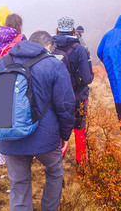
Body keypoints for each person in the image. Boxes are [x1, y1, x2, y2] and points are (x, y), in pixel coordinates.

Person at [0, 31, 75, 211]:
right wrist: (65, 134)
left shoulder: (0, 64)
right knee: (54, 172)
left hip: (9, 136)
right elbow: (65, 104)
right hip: (46, 137)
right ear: (48, 46)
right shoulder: (54, 65)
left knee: (19, 183)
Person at [53, 17, 94, 165]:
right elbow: (87, 78)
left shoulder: (51, 47)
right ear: (73, 29)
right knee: (79, 127)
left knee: (59, 129)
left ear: (58, 29)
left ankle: (56, 161)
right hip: (78, 96)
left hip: (56, 97)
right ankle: (80, 161)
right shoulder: (79, 49)